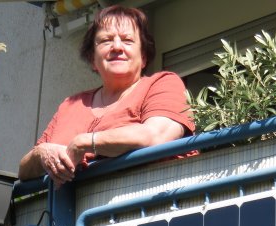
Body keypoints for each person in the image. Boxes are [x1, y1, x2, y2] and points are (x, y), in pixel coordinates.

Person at [18, 5, 195, 187]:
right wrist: (42, 153)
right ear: (92, 58)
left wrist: (85, 142)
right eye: (106, 40)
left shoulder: (162, 84)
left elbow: (157, 135)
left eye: (127, 40)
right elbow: (24, 171)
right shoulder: (71, 105)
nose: (117, 47)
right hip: (68, 213)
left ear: (143, 56)